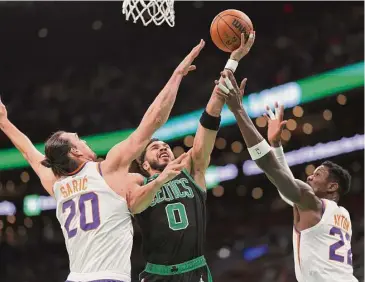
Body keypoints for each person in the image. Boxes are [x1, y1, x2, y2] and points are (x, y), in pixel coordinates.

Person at [0, 40, 204, 282]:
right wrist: (177, 75)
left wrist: (4, 122)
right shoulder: (108, 169)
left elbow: (27, 151)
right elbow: (154, 120)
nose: (85, 141)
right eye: (79, 140)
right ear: (75, 152)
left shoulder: (54, 183)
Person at [131, 32, 255, 282]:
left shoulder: (192, 170)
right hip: (158, 274)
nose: (164, 148)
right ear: (144, 164)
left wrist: (233, 61)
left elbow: (208, 124)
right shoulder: (136, 182)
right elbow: (134, 205)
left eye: (166, 145)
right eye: (156, 148)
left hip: (194, 270)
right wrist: (160, 180)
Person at [215, 71, 357, 282]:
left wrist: (238, 110)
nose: (309, 178)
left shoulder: (311, 202)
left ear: (332, 187)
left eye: (317, 175)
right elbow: (287, 188)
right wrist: (276, 146)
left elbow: (270, 168)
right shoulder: (342, 215)